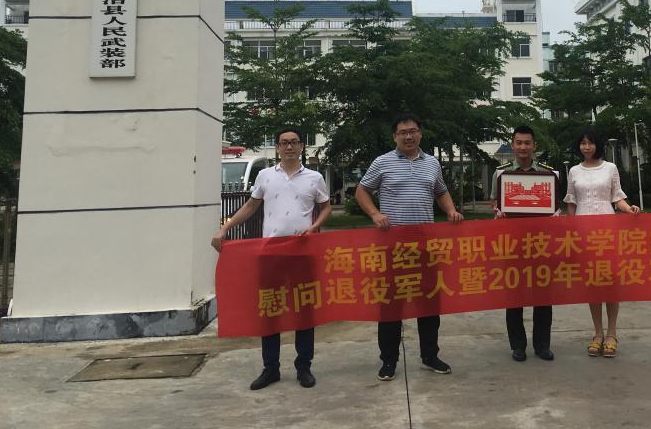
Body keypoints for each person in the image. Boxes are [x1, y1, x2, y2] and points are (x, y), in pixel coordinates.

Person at [211, 127, 331, 390]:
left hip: (302, 254)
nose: (289, 147)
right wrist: (225, 228)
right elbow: (251, 206)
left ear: (302, 146)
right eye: (284, 143)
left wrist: (314, 227)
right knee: (270, 309)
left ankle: (304, 367)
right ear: (277, 147)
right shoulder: (265, 176)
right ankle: (271, 368)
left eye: (294, 142)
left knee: (303, 310)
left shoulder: (314, 178)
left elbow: (326, 207)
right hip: (271, 254)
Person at [354, 112, 464, 381]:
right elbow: (362, 190)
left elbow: (440, 191)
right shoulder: (382, 162)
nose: (408, 136)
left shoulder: (432, 163)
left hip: (426, 247)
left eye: (413, 131)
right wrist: (374, 214)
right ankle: (388, 360)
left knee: (429, 303)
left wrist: (451, 210)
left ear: (420, 134)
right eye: (403, 132)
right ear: (395, 137)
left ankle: (430, 355)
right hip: (393, 247)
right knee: (391, 305)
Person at [564, 126, 640, 358]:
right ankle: (597, 333)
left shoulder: (610, 168)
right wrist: (572, 231)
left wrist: (629, 209)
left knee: (611, 281)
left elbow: (617, 197)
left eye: (590, 142)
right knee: (593, 283)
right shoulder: (574, 171)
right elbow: (571, 202)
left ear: (597, 145)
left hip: (607, 232)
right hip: (585, 233)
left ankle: (612, 333)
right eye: (583, 143)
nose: (586, 147)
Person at [491, 125, 560, 362]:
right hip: (513, 244)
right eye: (518, 143)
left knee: (543, 296)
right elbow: (495, 202)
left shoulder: (549, 174)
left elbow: (554, 205)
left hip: (541, 243)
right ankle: (518, 346)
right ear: (512, 145)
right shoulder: (501, 174)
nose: (523, 147)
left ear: (534, 146)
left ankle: (542, 345)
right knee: (514, 295)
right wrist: (498, 212)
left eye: (527, 143)